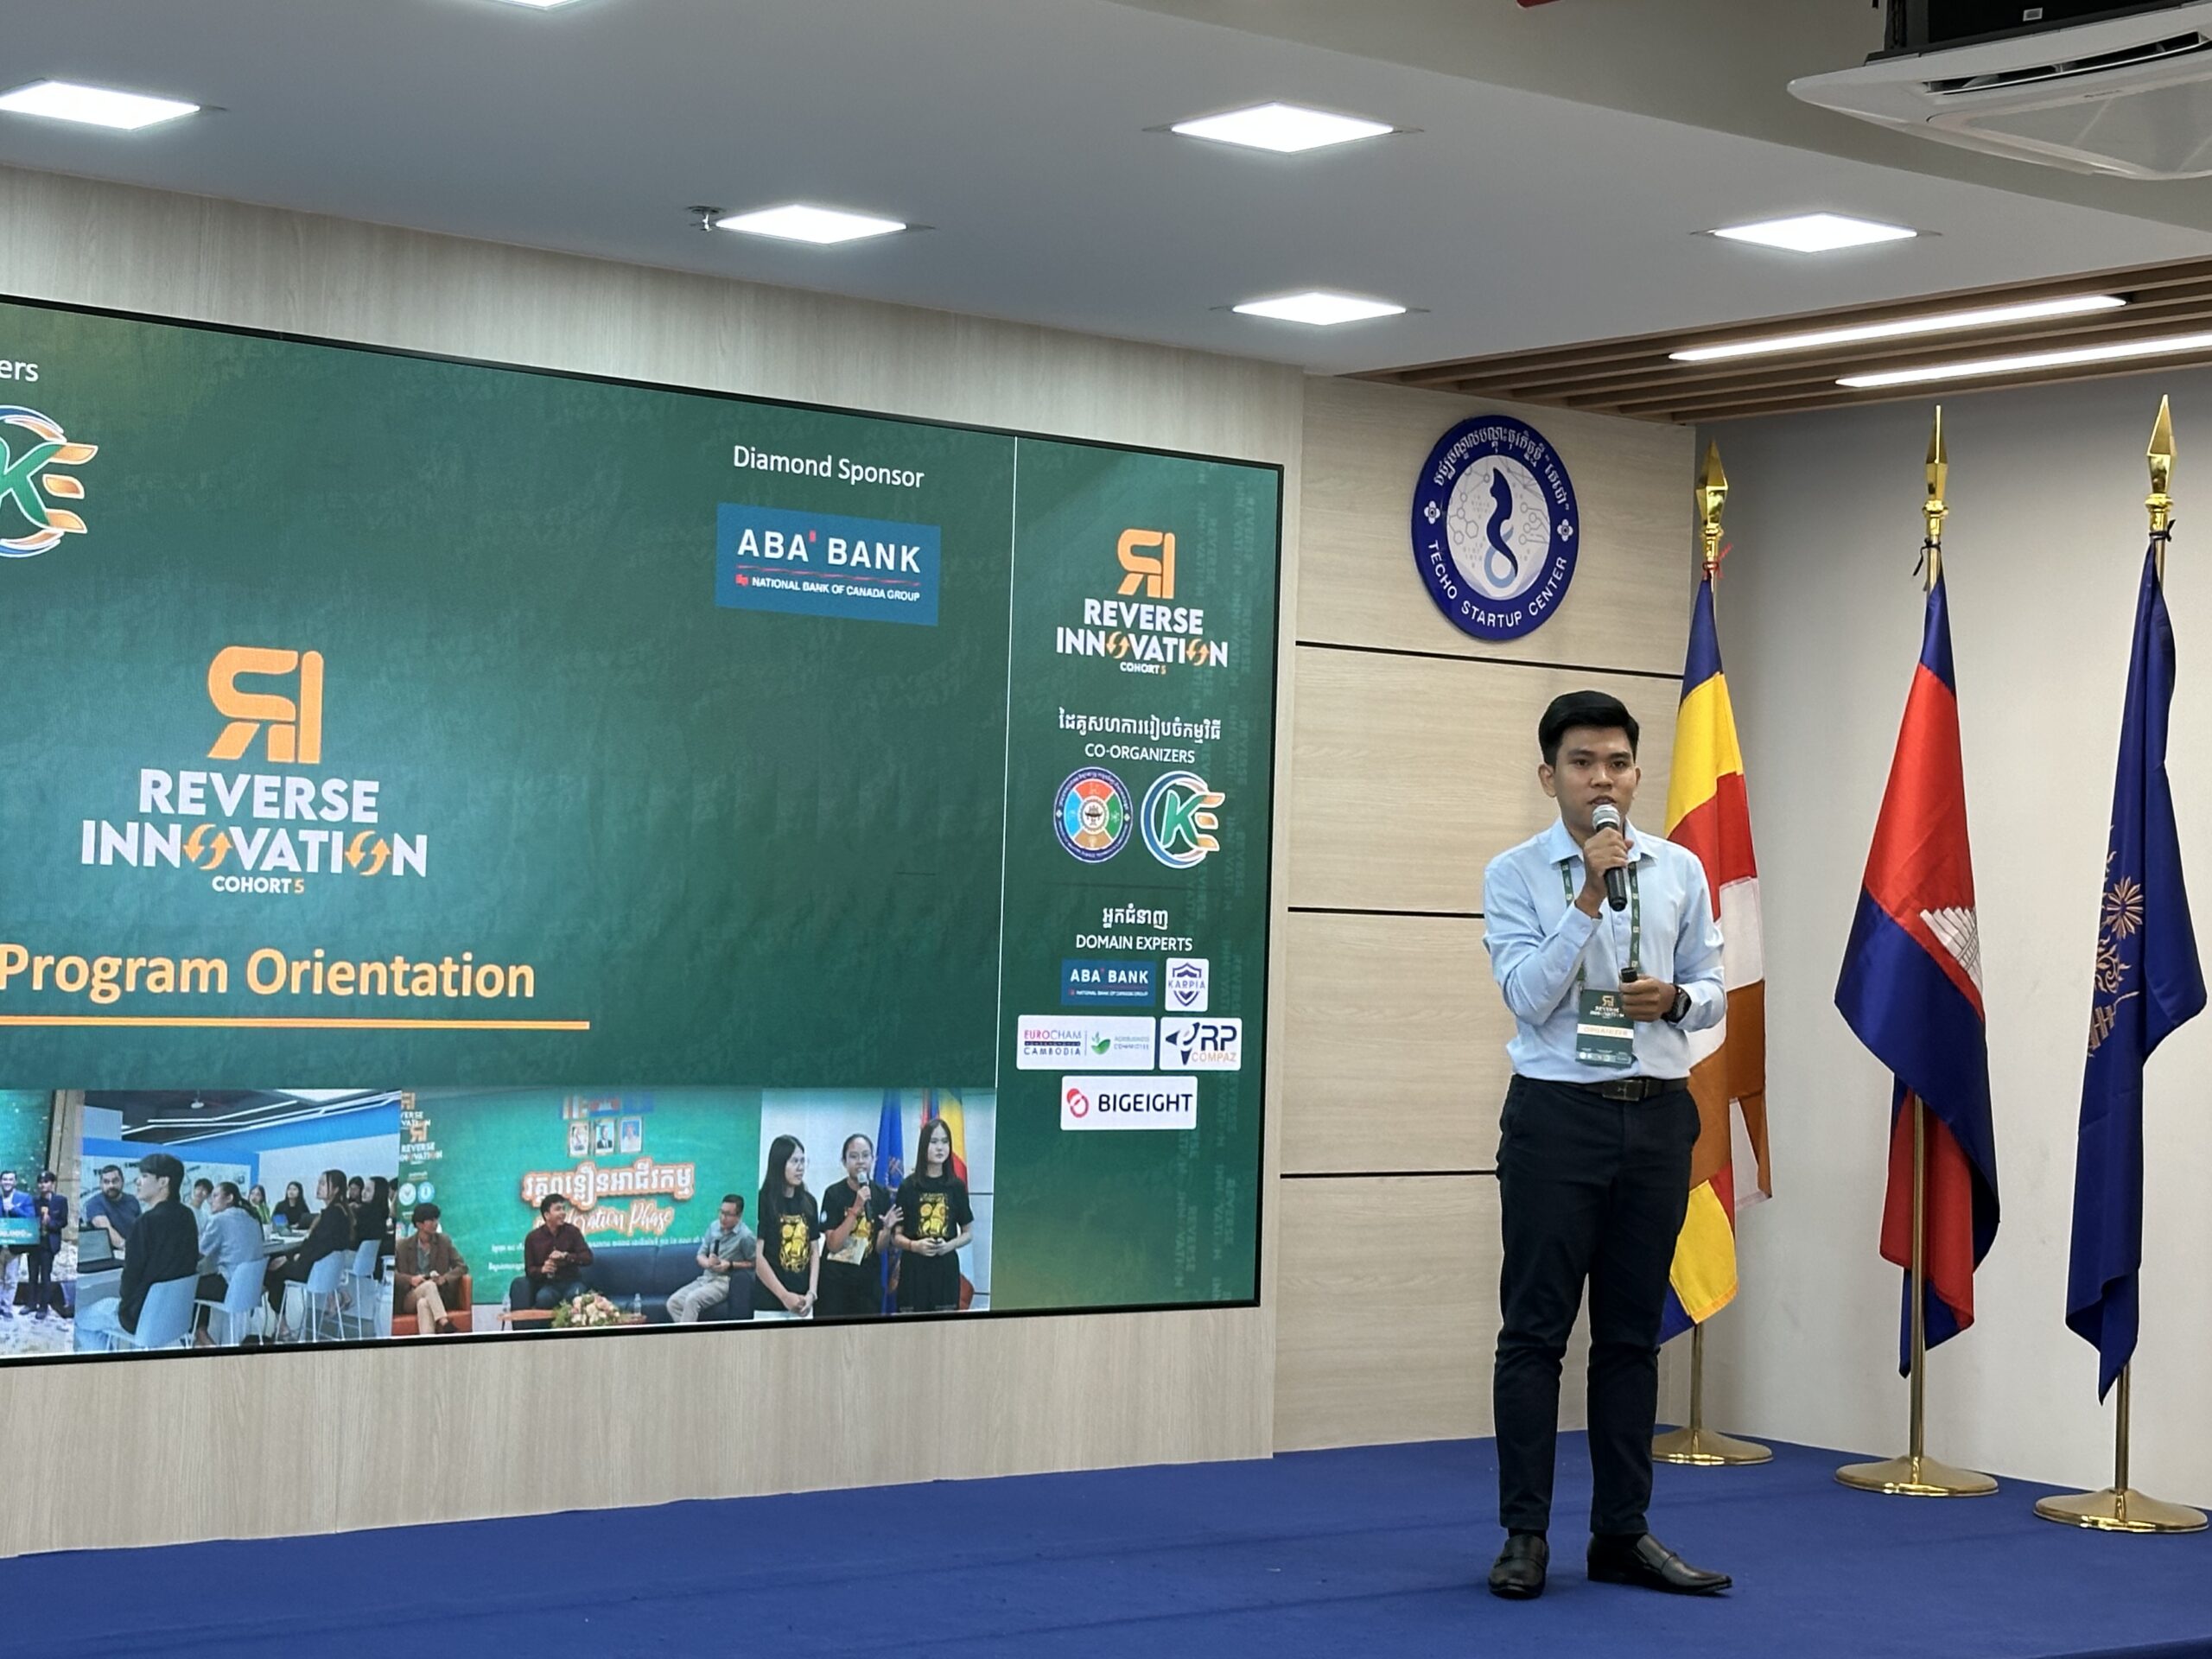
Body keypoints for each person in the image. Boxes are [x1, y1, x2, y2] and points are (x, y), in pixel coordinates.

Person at [1480, 691, 1730, 1600]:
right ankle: (1524, 1535)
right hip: (1558, 1119)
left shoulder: (1679, 869)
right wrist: (1588, 894)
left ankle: (1621, 1533)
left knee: (1630, 1336)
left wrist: (1676, 1001)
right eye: (1582, 763)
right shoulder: (1515, 874)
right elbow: (1527, 995)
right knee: (1535, 1332)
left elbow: (1714, 988)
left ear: (1636, 774)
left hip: (1656, 1117)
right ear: (1550, 777)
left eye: (1617, 763)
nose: (1602, 780)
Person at [73, 1153, 197, 1349]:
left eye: (144, 1176)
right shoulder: (187, 1215)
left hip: (140, 1315)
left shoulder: (147, 1221)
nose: (137, 1181)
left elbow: (129, 1283)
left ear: (163, 1182)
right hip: (174, 1314)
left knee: (79, 1320)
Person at [893, 1118, 972, 1315]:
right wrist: (915, 1246)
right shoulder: (908, 1186)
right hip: (914, 1270)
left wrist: (949, 1245)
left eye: (945, 1142)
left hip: (945, 1270)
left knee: (943, 1328)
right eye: (934, 1141)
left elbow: (968, 1233)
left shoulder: (956, 1186)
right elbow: (896, 1237)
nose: (940, 1147)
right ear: (923, 1146)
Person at [263, 1170, 354, 1338]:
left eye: (323, 1183)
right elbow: (317, 1245)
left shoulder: (332, 1214)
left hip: (312, 1271)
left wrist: (290, 1259)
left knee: (271, 1270)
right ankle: (282, 1324)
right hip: (324, 1272)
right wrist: (290, 1257)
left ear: (335, 1189)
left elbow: (318, 1247)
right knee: (277, 1261)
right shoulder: (340, 1211)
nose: (318, 1187)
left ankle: (282, 1325)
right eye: (319, 1182)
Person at [818, 1135, 896, 1319]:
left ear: (873, 1159)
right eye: (854, 1156)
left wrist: (887, 1229)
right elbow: (833, 1244)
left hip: (867, 1285)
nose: (860, 1161)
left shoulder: (881, 1194)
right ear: (844, 1161)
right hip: (835, 1284)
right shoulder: (833, 1194)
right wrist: (856, 1208)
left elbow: (879, 1247)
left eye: (865, 1155)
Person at [752, 1135, 820, 1320]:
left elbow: (814, 1251)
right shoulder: (763, 1201)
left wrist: (812, 1293)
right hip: (769, 1304)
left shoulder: (809, 1202)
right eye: (794, 1161)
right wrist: (784, 1296)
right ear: (779, 1163)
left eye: (803, 1161)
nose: (800, 1167)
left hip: (803, 1303)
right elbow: (757, 1255)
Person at [666, 1195, 755, 1323]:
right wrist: (708, 1263)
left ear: (739, 1216)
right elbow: (700, 1255)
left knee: (692, 1299)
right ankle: (692, 1334)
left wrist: (730, 1264)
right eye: (721, 1212)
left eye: (728, 1214)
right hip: (706, 1278)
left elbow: (754, 1263)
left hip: (724, 1281)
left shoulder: (746, 1236)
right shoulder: (714, 1227)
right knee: (673, 1302)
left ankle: (687, 1335)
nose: (723, 1218)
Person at [193, 1181, 263, 1342]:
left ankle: (202, 1337)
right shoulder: (252, 1218)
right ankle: (202, 1336)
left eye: (216, 1196)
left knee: (189, 1286)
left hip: (231, 1287)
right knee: (205, 1281)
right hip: (250, 1288)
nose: (211, 1201)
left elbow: (199, 1254)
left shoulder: (219, 1219)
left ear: (230, 1198)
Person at [393, 1203, 467, 1336]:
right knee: (428, 1286)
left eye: (436, 1219)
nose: (436, 1223)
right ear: (419, 1224)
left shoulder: (444, 1241)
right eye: (431, 1220)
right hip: (410, 1297)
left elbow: (462, 1267)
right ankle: (445, 1322)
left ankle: (428, 1342)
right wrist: (410, 1279)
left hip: (438, 1296)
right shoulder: (402, 1246)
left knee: (423, 1303)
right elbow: (391, 1274)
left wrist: (444, 1279)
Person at [521, 1194, 594, 1310]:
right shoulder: (533, 1238)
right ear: (547, 1215)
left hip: (572, 1282)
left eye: (564, 1209)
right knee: (544, 1298)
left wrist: (566, 1256)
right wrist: (542, 1269)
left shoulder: (573, 1232)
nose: (563, 1213)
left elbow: (588, 1258)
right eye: (558, 1209)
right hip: (548, 1285)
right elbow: (529, 1270)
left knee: (575, 1296)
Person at [27, 1172, 67, 1319]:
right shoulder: (34, 1201)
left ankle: (43, 1307)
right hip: (34, 1244)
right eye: (40, 1182)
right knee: (32, 1276)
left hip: (48, 1245)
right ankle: (31, 1304)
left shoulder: (60, 1201)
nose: (42, 1185)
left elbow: (63, 1221)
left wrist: (50, 1223)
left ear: (52, 1183)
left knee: (45, 1276)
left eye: (46, 1182)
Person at [81, 1164, 142, 1258]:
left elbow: (140, 1229)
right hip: (107, 1257)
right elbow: (106, 1229)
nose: (111, 1185)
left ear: (122, 1181)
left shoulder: (132, 1201)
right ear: (101, 1184)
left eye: (115, 1181)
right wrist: (127, 1247)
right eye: (106, 1182)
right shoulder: (94, 1203)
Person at [0, 1170, 30, 1319]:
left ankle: (6, 1307)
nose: (7, 1182)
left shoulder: (24, 1198)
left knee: (11, 1278)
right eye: (4, 1179)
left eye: (10, 1179)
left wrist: (14, 1209)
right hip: (0, 1246)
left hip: (14, 1246)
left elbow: (31, 1218)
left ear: (15, 1182)